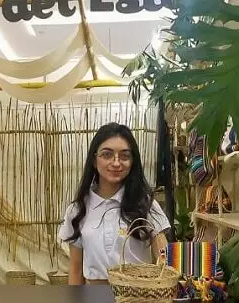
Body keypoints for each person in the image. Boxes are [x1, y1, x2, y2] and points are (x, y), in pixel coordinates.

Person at [58, 122, 171, 285]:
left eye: (124, 156)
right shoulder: (77, 210)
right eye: (107, 154)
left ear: (132, 162)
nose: (116, 163)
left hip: (138, 296)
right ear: (94, 160)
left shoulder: (146, 204)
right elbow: (75, 270)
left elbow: (165, 261)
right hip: (94, 297)